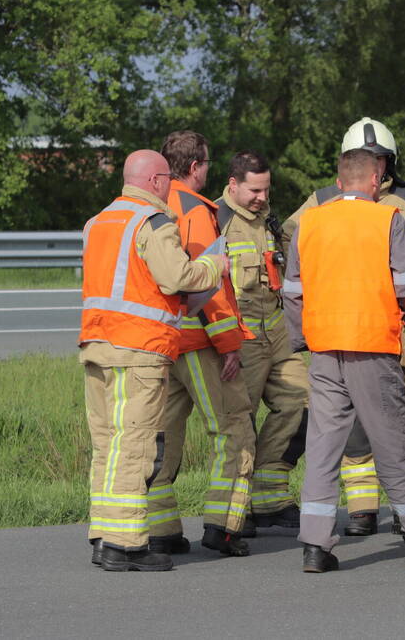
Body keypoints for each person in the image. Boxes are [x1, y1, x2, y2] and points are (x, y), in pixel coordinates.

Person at [283, 148, 405, 573]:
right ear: (377, 180)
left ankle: (315, 546)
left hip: (324, 349)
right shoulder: (387, 219)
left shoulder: (309, 223)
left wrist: (304, 338)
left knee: (323, 446)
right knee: (392, 442)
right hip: (372, 346)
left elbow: (292, 292)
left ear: (340, 181)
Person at [81, 149, 229, 572]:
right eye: (166, 180)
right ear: (156, 181)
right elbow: (176, 277)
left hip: (97, 347)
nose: (169, 188)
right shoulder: (152, 222)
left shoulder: (99, 221)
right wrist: (212, 266)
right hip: (139, 350)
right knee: (136, 445)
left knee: (108, 444)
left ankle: (104, 534)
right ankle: (125, 545)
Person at [152, 130, 257, 557]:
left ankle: (161, 528)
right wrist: (228, 343)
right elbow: (207, 279)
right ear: (195, 167)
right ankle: (223, 525)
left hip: (163, 341)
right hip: (198, 341)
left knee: (165, 434)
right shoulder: (194, 209)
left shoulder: (152, 204)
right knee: (232, 430)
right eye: (208, 164)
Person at [215, 151, 308, 534]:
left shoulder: (268, 220)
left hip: (278, 332)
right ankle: (236, 511)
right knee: (241, 421)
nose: (261, 197)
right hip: (243, 338)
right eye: (254, 190)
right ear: (233, 184)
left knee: (305, 402)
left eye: (266, 189)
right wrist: (225, 343)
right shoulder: (215, 219)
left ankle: (271, 495)